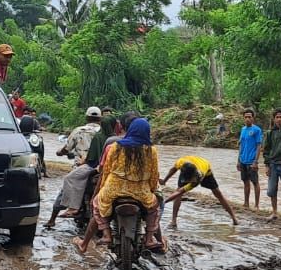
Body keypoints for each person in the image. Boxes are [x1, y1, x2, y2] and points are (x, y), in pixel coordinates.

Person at [74, 117, 165, 254]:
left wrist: (101, 189)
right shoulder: (151, 150)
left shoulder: (116, 146)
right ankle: (149, 238)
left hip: (114, 189)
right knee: (153, 208)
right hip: (140, 192)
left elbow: (107, 170)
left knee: (98, 204)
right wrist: (152, 190)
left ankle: (105, 234)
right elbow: (154, 175)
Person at [44, 107, 103, 228]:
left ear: (87, 117)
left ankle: (52, 219)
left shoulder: (79, 131)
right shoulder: (104, 132)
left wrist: (60, 152)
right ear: (100, 118)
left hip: (81, 167)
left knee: (65, 190)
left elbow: (67, 148)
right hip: (101, 168)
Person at [162, 155, 238, 228]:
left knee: (218, 193)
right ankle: (174, 221)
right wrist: (164, 180)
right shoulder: (180, 162)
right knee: (178, 192)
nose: (189, 181)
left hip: (206, 169)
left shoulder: (198, 177)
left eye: (190, 179)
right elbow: (173, 169)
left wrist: (163, 202)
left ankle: (234, 218)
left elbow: (180, 192)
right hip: (189, 166)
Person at [237, 109, 263, 210]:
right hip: (243, 160)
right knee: (245, 182)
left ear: (253, 118)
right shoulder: (243, 130)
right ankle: (246, 203)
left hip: (252, 161)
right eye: (246, 117)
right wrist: (238, 160)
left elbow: (259, 146)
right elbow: (241, 145)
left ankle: (256, 205)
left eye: (249, 117)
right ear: (243, 118)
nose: (247, 119)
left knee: (255, 182)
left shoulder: (257, 130)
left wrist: (256, 161)